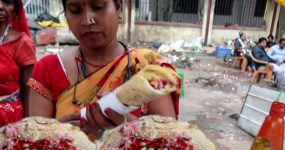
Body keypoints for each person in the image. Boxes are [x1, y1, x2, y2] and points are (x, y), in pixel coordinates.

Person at [28, 0, 180, 141]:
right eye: (75, 11)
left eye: (98, 7)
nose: (87, 20)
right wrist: (57, 136)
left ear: (119, 8)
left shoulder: (148, 68)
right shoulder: (48, 69)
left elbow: (170, 144)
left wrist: (127, 127)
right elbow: (35, 146)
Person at [0, 0, 36, 126]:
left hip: (8, 120)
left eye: (7, 2)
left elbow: (28, 91)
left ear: (15, 8)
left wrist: (27, 125)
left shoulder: (22, 43)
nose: (0, 6)